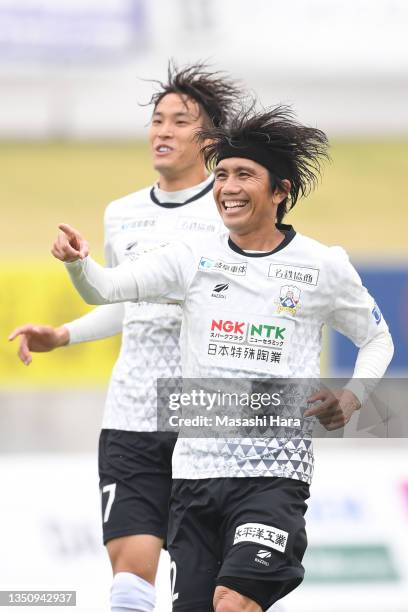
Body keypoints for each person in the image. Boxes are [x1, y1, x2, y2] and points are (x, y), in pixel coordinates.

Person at [50, 105, 394, 612]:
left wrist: (353, 396)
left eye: (244, 175)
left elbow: (377, 339)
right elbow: (107, 290)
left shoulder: (323, 265)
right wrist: (80, 264)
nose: (228, 187)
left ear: (279, 191)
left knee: (232, 602)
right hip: (193, 477)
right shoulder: (191, 256)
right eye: (221, 175)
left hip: (274, 473)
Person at [9, 62, 242, 612]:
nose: (162, 131)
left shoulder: (229, 208)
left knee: (207, 587)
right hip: (132, 412)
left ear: (207, 139)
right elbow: (123, 299)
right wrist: (63, 332)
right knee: (130, 576)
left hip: (203, 416)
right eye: (156, 120)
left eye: (179, 122)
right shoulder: (124, 214)